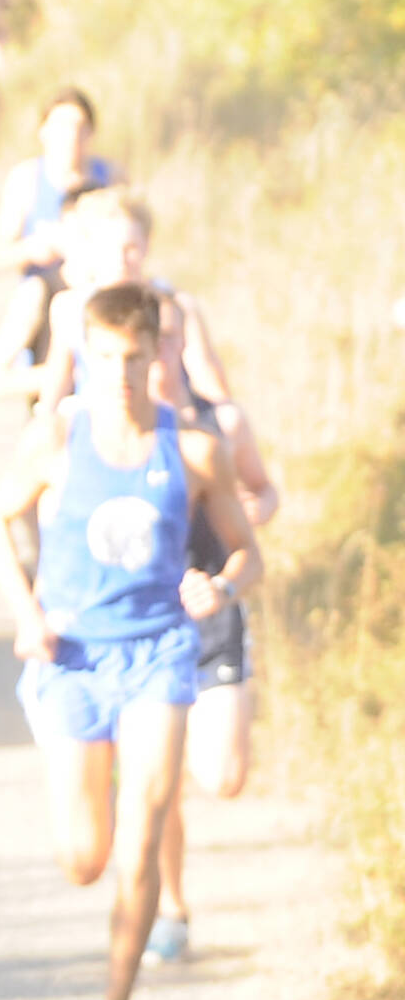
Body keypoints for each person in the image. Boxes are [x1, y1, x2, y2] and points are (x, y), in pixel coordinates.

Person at [0, 282, 262, 1000]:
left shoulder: (196, 450)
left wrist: (222, 585)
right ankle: (85, 790)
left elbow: (248, 552)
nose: (123, 375)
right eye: (106, 360)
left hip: (160, 653)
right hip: (71, 659)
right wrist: (27, 615)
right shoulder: (59, 442)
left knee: (143, 832)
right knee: (83, 858)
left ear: (158, 353)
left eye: (136, 358)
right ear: (86, 359)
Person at [144, 291, 279, 965]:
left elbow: (263, 489)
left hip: (216, 608)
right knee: (162, 779)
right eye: (151, 338)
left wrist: (253, 509)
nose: (161, 351)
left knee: (222, 777)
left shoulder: (222, 422)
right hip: (145, 624)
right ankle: (172, 906)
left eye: (171, 337)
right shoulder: (105, 427)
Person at [33, 189, 232, 418]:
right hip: (99, 418)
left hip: (168, 417)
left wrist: (223, 414)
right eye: (109, 247)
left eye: (130, 248)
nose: (120, 259)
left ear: (146, 245)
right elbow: (59, 376)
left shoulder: (177, 307)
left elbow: (204, 371)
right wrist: (45, 418)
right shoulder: (69, 307)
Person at [0, 89, 118, 404]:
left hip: (104, 296)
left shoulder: (110, 177)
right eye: (62, 126)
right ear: (43, 131)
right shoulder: (27, 179)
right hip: (45, 303)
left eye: (80, 126)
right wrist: (35, 248)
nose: (71, 136)